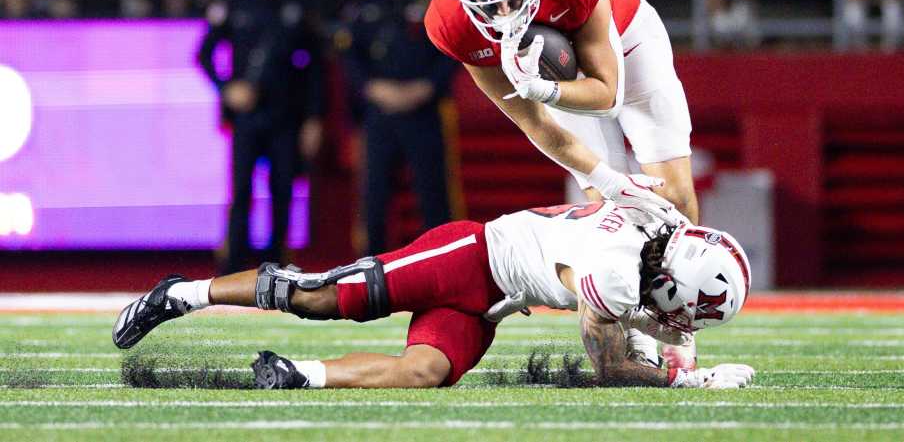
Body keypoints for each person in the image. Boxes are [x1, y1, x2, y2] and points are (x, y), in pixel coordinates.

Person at [426, 0, 698, 369]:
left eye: (512, 0)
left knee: (676, 196)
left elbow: (608, 94)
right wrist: (608, 182)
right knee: (609, 217)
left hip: (628, 39)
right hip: (550, 75)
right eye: (488, 8)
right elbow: (536, 125)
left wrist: (544, 89)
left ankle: (678, 325)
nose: (503, 17)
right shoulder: (450, 23)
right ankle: (635, 334)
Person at [113, 198, 754, 390]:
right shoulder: (616, 269)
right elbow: (612, 364)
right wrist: (686, 379)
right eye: (688, 303)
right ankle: (183, 294)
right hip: (469, 258)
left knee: (424, 373)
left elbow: (658, 321)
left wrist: (682, 349)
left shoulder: (654, 224)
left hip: (493, 303)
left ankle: (296, 376)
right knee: (313, 296)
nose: (681, 315)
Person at [197, 0, 326, 275]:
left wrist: (314, 119)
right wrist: (228, 88)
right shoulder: (234, 0)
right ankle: (231, 271)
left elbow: (316, 68)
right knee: (240, 193)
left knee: (282, 192)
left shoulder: (299, 5)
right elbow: (204, 53)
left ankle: (276, 272)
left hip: (287, 113)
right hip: (246, 117)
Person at [334, 0, 460, 255]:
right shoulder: (365, 0)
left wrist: (428, 87)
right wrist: (372, 89)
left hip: (425, 109)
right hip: (379, 111)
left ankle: (443, 267)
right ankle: (369, 275)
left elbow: (454, 51)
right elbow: (349, 54)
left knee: (434, 196)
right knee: (373, 197)